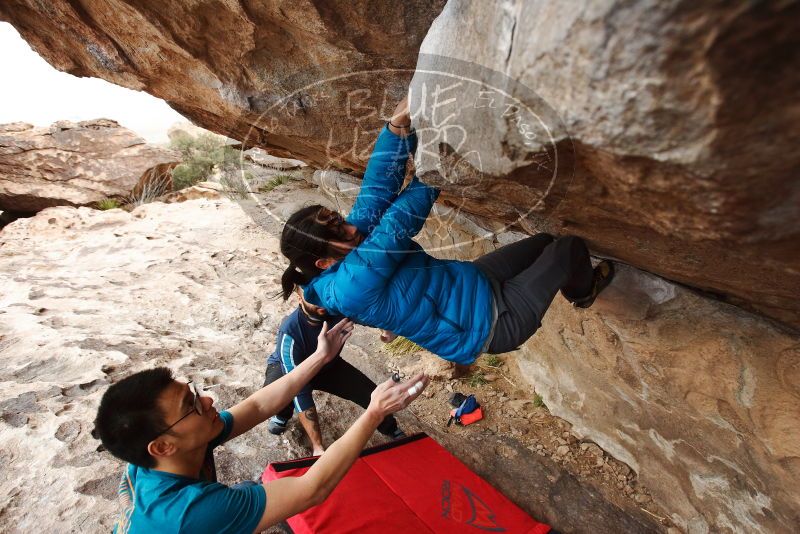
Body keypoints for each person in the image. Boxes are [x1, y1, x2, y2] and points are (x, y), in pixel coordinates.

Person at [277, 97, 614, 366]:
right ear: (322, 262)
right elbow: (393, 230)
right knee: (567, 249)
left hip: (473, 281)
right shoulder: (347, 289)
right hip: (488, 326)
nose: (351, 227)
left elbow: (375, 192)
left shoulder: (350, 243)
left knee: (543, 243)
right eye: (340, 230)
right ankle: (583, 293)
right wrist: (434, 170)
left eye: (340, 220)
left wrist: (396, 128)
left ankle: (568, 278)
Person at [93, 317, 428, 533]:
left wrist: (319, 357)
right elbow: (313, 490)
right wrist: (373, 413)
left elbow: (257, 405)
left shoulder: (167, 452)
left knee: (240, 496)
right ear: (164, 446)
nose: (208, 401)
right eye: (191, 405)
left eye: (194, 393)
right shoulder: (191, 514)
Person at [265, 288, 405, 455]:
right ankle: (282, 414)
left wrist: (386, 327)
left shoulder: (337, 308)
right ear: (299, 298)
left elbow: (367, 312)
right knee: (275, 393)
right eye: (311, 297)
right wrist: (317, 446)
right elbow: (299, 390)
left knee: (368, 392)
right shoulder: (290, 333)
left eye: (321, 294)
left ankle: (390, 427)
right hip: (292, 372)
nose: (320, 302)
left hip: (328, 367)